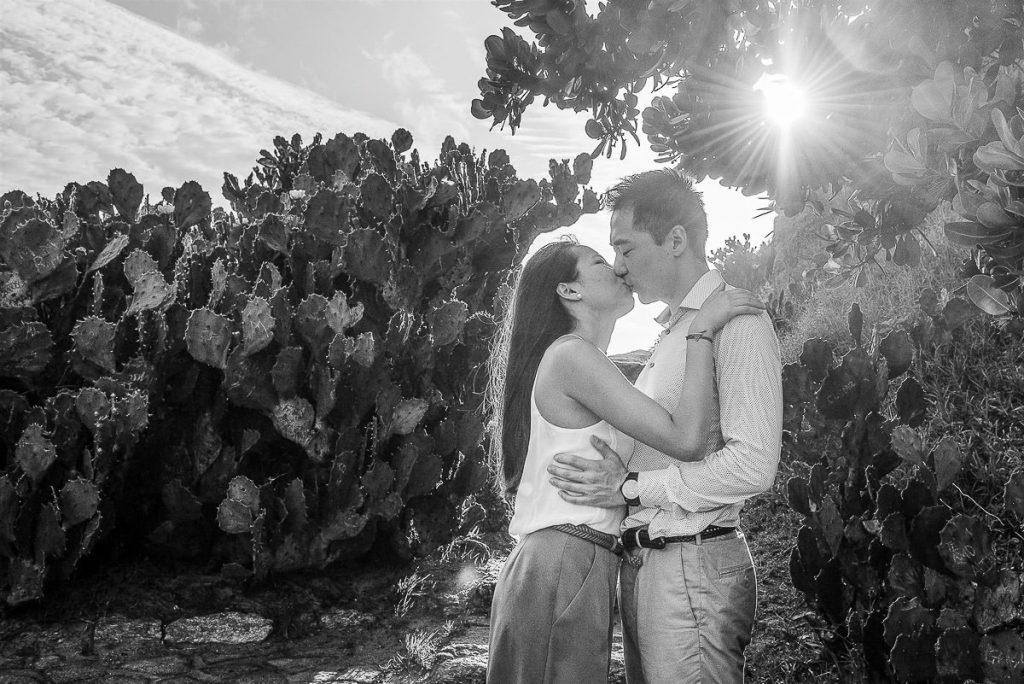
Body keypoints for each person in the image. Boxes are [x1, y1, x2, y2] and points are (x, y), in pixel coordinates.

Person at [484, 234, 766, 683]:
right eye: (599, 262)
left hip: (576, 559)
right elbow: (687, 439)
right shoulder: (573, 356)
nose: (617, 269)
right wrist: (701, 330)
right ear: (569, 290)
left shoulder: (583, 360)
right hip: (563, 559)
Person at [546, 169, 784, 683]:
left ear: (675, 239)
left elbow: (753, 465)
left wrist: (631, 488)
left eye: (626, 249)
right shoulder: (678, 331)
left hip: (690, 569)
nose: (618, 267)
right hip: (650, 568)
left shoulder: (737, 320)